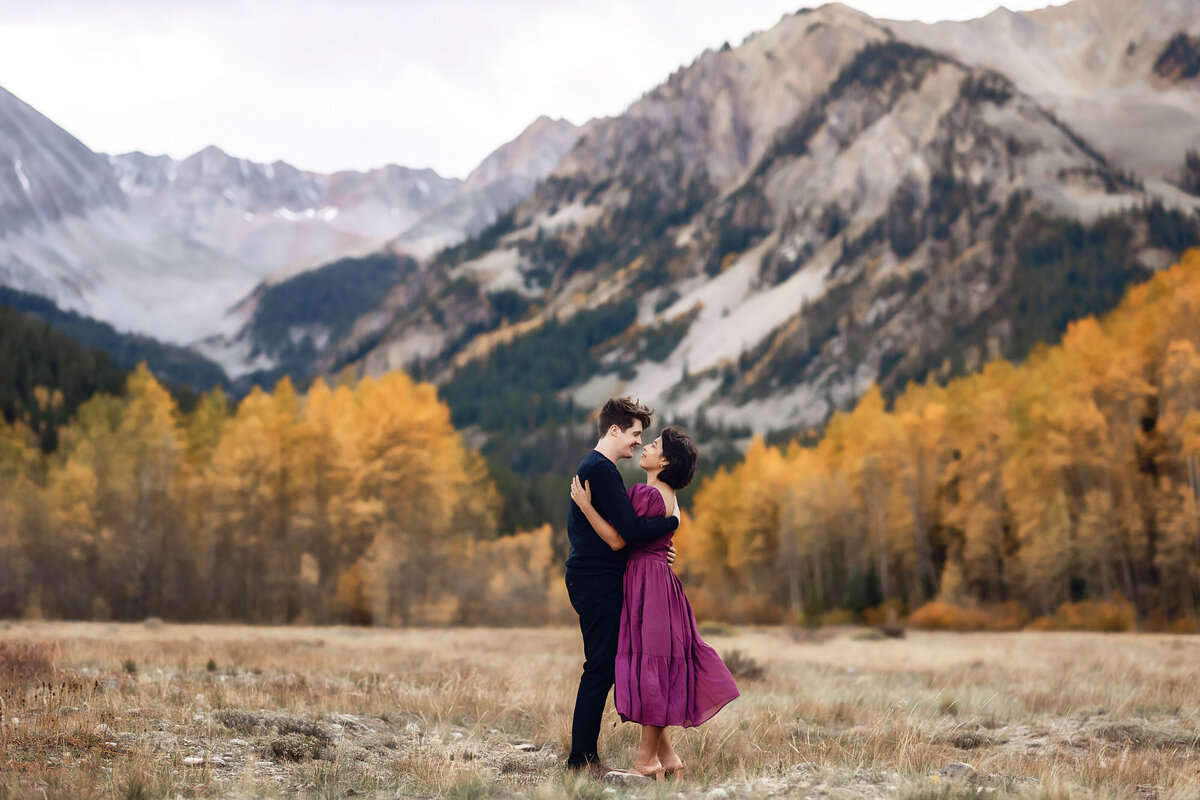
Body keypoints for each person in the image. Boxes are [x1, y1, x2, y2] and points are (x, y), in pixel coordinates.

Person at [570, 425, 739, 779]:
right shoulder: (667, 495)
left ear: (665, 461)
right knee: (654, 666)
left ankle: (646, 761)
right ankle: (669, 758)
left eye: (655, 444)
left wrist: (586, 506)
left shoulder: (647, 496)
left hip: (647, 585)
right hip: (658, 582)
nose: (645, 446)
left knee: (649, 669)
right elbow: (653, 535)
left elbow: (620, 538)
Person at [565, 398, 680, 777]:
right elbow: (625, 535)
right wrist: (671, 524)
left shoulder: (599, 469)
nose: (637, 442)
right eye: (634, 434)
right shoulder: (600, 469)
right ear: (614, 430)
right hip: (596, 580)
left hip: (597, 578)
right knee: (600, 668)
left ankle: (647, 756)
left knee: (607, 666)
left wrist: (660, 548)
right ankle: (581, 761)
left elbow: (625, 535)